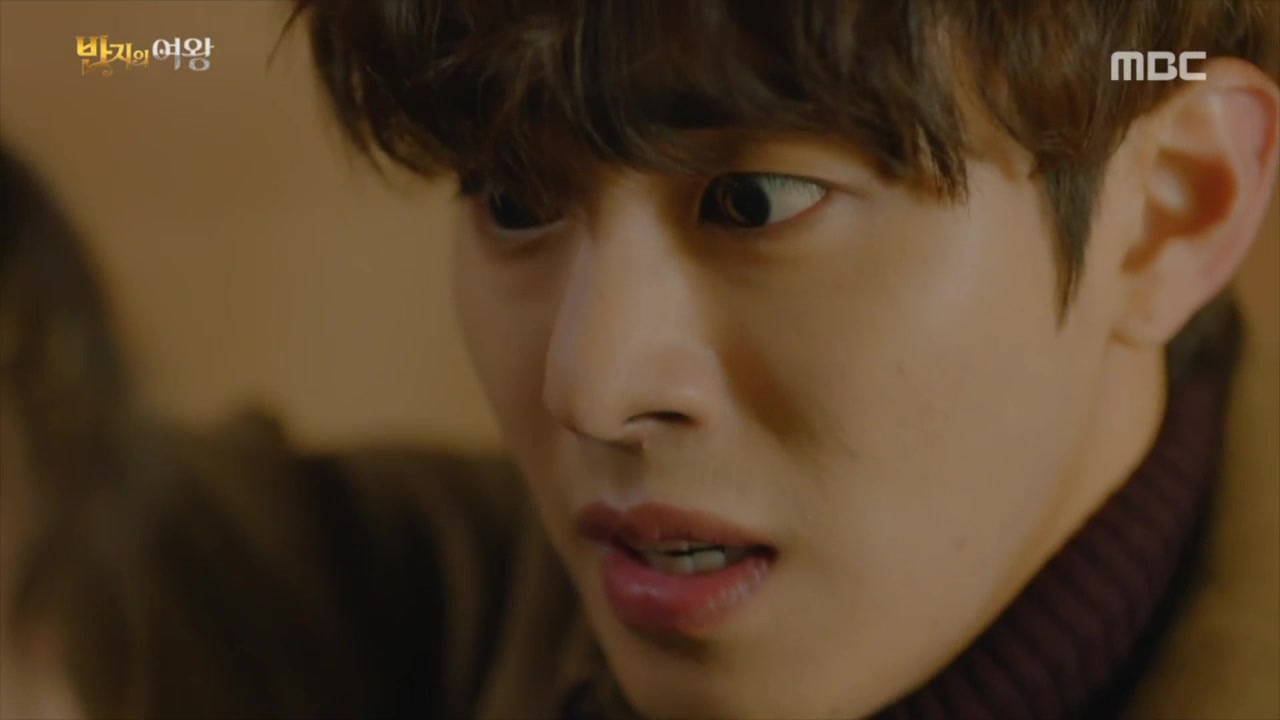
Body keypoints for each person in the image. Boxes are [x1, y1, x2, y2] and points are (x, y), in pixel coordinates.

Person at [284, 1, 1280, 718]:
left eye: (754, 201)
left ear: (1170, 207)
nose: (590, 388)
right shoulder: (381, 612)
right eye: (513, 202)